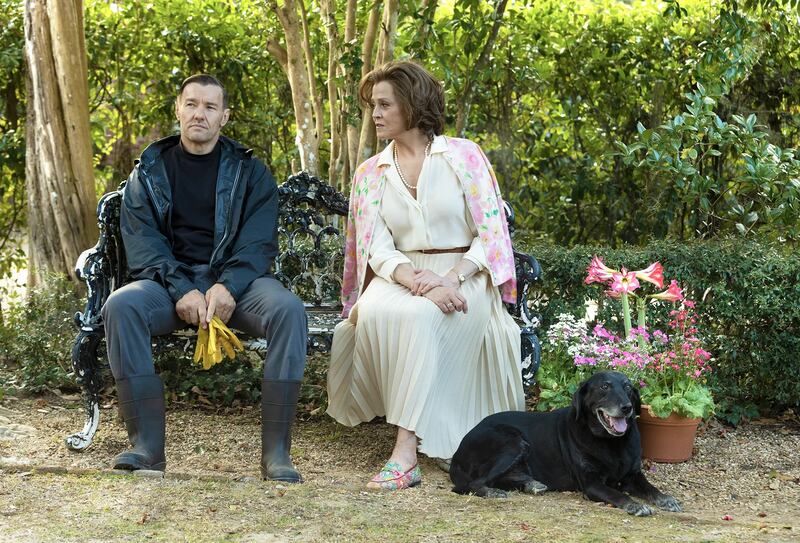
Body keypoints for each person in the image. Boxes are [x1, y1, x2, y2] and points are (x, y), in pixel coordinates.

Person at [326, 61, 525, 490]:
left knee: (420, 317)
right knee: (376, 311)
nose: (375, 114)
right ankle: (409, 438)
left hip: (466, 274)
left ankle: (405, 453)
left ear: (413, 105)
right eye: (373, 105)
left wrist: (451, 278)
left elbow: (491, 235)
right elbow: (375, 246)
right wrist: (414, 280)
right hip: (401, 275)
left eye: (384, 105)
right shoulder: (371, 172)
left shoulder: (464, 157)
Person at [101, 74, 307, 483]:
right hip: (168, 286)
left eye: (210, 107)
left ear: (224, 117)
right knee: (121, 305)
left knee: (288, 310)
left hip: (238, 287)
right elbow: (144, 243)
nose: (200, 113)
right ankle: (146, 448)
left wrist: (228, 285)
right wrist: (182, 288)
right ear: (178, 110)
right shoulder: (149, 172)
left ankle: (277, 456)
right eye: (192, 104)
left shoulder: (251, 172)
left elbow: (258, 242)